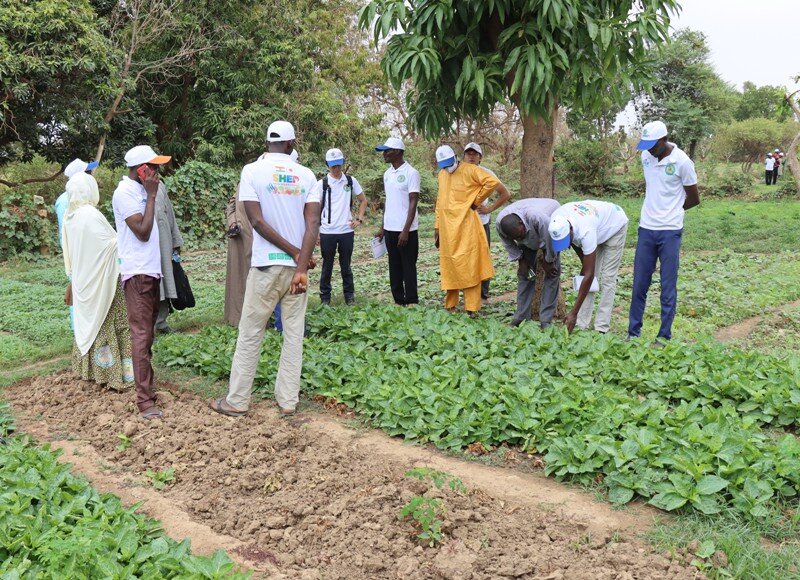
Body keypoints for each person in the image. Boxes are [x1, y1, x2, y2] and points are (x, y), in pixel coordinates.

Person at [210, 121, 320, 417]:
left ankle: (237, 401)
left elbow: (256, 221)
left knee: (251, 332)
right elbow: (312, 225)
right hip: (297, 271)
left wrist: (295, 254)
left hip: (265, 266)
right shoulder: (307, 175)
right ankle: (288, 401)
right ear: (291, 143)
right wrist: (300, 260)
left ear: (267, 143)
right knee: (294, 335)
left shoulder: (252, 171)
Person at [627, 121, 700, 345]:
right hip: (646, 229)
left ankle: (663, 336)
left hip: (670, 232)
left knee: (668, 285)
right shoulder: (646, 157)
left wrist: (672, 212)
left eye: (652, 144)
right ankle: (633, 333)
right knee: (640, 283)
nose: (648, 149)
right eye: (645, 144)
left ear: (664, 140)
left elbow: (694, 198)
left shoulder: (682, 162)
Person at [113, 145, 172, 419]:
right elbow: (143, 232)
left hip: (149, 271)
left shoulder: (139, 191)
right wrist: (150, 196)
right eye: (154, 167)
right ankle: (145, 402)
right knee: (140, 335)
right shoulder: (125, 193)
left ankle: (147, 389)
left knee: (147, 335)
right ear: (142, 170)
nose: (158, 172)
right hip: (137, 274)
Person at [62, 173, 133, 391]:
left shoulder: (70, 216)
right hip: (104, 280)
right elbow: (112, 244)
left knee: (91, 324)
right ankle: (117, 375)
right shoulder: (91, 215)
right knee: (113, 320)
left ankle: (92, 371)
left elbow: (71, 252)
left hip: (84, 279)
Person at [225, 150, 299, 328]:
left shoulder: (277, 182)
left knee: (271, 279)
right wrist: (233, 222)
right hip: (246, 236)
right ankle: (247, 319)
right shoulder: (251, 179)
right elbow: (233, 204)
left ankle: (270, 320)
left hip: (264, 238)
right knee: (247, 281)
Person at [433, 145, 507, 316]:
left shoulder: (470, 170)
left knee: (469, 265)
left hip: (467, 226)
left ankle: (472, 308)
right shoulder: (442, 174)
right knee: (449, 265)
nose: (447, 167)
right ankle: (450, 305)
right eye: (442, 164)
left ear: (455, 157)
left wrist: (476, 201)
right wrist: (437, 226)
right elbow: (439, 200)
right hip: (447, 227)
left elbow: (492, 182)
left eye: (448, 163)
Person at [548, 200, 629, 334]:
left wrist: (573, 312)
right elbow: (584, 261)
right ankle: (581, 322)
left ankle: (601, 327)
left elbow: (589, 275)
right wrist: (585, 269)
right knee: (588, 276)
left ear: (571, 231)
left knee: (607, 278)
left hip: (615, 225)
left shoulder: (586, 232)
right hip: (597, 224)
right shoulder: (556, 221)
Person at [495, 198, 561, 327]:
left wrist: (549, 260)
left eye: (521, 235)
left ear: (521, 223)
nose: (520, 239)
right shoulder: (501, 225)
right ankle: (521, 316)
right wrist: (522, 260)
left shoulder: (537, 217)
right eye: (517, 238)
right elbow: (509, 244)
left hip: (549, 230)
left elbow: (550, 240)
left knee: (552, 274)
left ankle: (545, 320)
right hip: (530, 232)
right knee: (525, 275)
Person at [314, 148, 367, 305]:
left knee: (346, 266)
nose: (336, 169)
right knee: (327, 266)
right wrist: (316, 231)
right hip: (327, 231)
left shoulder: (350, 181)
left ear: (343, 163)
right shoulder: (321, 184)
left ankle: (349, 297)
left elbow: (363, 200)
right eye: (333, 166)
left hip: (346, 231)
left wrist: (359, 219)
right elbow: (315, 209)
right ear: (327, 165)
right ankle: (325, 299)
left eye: (338, 165)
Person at [462, 142, 511, 300]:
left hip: (481, 222)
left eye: (474, 154)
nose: (471, 156)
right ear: (463, 156)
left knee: (482, 258)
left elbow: (505, 193)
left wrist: (489, 208)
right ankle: (468, 290)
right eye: (468, 153)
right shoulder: (458, 173)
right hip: (462, 223)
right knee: (464, 257)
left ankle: (483, 293)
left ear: (480, 157)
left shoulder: (487, 173)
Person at [375, 137, 420, 306]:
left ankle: (412, 301)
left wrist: (406, 230)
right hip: (390, 228)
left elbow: (413, 202)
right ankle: (398, 300)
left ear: (398, 152)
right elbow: (389, 201)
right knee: (394, 266)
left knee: (408, 266)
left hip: (406, 230)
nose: (384, 154)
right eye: (384, 151)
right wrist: (383, 227)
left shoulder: (411, 172)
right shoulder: (387, 174)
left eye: (388, 151)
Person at [154, 184, 184, 333]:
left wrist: (175, 242)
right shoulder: (129, 191)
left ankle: (161, 322)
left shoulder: (160, 186)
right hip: (145, 248)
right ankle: (147, 326)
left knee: (165, 280)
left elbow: (169, 214)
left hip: (164, 242)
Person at [56, 158, 100, 247]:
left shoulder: (85, 198)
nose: (91, 176)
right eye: (88, 173)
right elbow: (63, 229)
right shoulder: (64, 200)